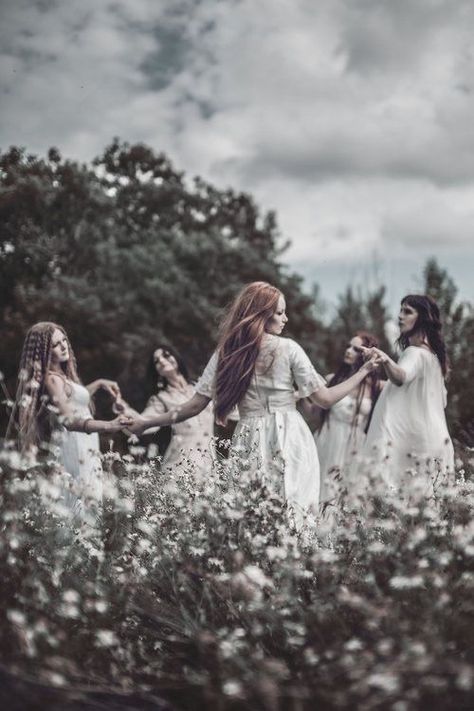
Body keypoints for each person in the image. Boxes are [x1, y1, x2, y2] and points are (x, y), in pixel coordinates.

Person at [128, 282, 379, 526]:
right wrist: (364, 371)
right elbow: (324, 399)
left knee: (252, 515)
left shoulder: (228, 351)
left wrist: (146, 422)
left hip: (249, 435)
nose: (286, 319)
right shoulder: (288, 348)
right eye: (280, 313)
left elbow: (192, 406)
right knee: (294, 511)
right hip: (289, 433)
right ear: (262, 315)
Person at [10, 322, 132, 526]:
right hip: (73, 447)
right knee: (79, 507)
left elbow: (76, 399)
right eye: (56, 344)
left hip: (84, 446)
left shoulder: (61, 378)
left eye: (64, 340)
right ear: (44, 352)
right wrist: (109, 425)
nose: (64, 346)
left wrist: (100, 383)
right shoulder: (52, 380)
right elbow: (70, 420)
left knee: (89, 503)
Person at [361, 295, 454, 489]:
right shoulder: (434, 357)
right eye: (401, 310)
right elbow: (440, 400)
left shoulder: (414, 353)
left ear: (423, 318)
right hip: (437, 442)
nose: (400, 316)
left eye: (408, 311)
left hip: (415, 448)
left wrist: (384, 358)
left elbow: (401, 377)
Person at [115, 343, 215, 477]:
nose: (162, 360)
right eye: (156, 361)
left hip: (210, 462)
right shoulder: (161, 399)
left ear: (177, 358)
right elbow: (144, 423)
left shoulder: (201, 389)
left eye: (166, 355)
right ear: (157, 371)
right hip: (181, 464)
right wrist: (124, 410)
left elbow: (230, 411)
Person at [308, 332, 384, 504]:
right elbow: (315, 411)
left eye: (356, 349)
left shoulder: (376, 387)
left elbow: (401, 384)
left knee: (349, 493)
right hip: (329, 439)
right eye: (348, 346)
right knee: (321, 487)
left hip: (356, 445)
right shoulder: (333, 380)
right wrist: (299, 397)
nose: (348, 351)